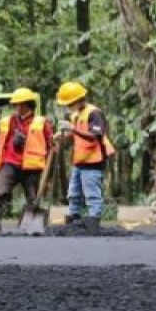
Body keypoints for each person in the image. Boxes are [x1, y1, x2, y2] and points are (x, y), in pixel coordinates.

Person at [0, 88, 54, 235]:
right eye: (15, 104)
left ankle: (34, 226)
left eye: (19, 104)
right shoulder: (8, 121)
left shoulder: (42, 122)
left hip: (31, 166)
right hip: (10, 163)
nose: (16, 107)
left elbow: (51, 145)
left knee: (34, 198)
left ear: (28, 104)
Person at [56, 81, 115, 233]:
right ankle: (74, 219)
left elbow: (94, 135)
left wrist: (72, 129)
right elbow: (76, 135)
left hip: (93, 161)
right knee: (73, 193)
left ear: (78, 100)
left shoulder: (94, 113)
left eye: (69, 104)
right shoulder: (77, 115)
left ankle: (93, 221)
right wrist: (62, 136)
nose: (68, 107)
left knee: (92, 194)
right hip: (79, 160)